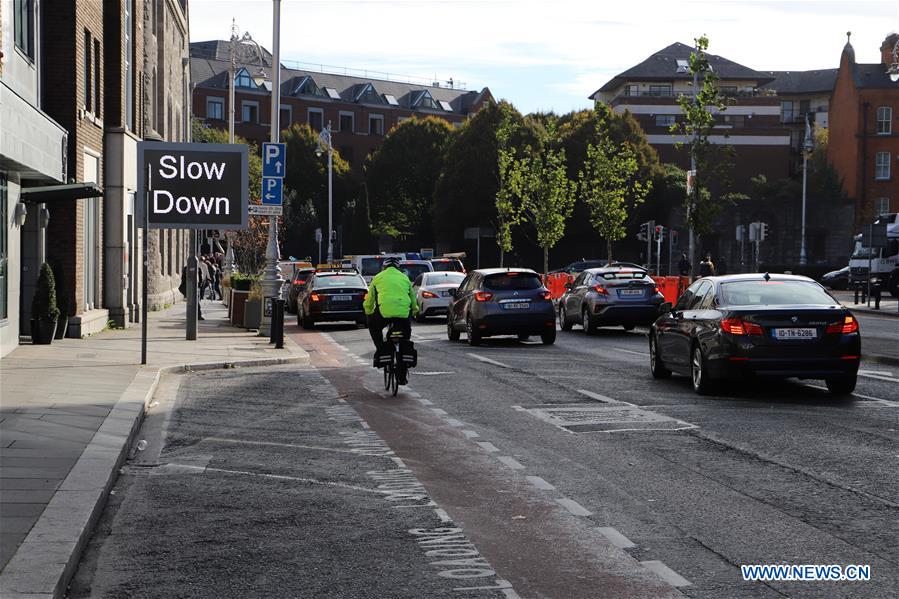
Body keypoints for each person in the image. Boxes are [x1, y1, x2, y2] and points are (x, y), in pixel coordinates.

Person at [363, 256, 419, 367]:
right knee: (406, 333)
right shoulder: (404, 278)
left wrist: (368, 313)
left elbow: (369, 300)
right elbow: (413, 299)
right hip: (403, 313)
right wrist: (414, 311)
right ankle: (404, 356)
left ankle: (380, 350)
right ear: (398, 268)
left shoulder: (377, 277)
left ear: (384, 267)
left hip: (384, 313)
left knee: (374, 327)